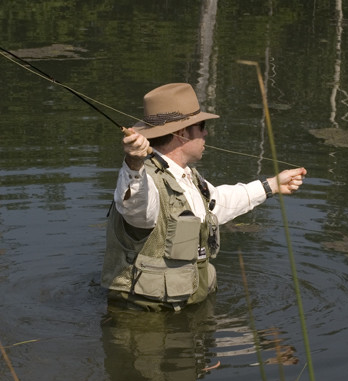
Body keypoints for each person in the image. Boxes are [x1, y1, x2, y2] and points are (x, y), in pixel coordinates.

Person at [102, 82, 306, 311]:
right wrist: (133, 163)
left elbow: (217, 204)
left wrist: (271, 185)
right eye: (201, 126)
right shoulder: (144, 180)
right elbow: (135, 208)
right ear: (181, 134)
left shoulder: (187, 177)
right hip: (144, 326)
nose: (207, 132)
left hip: (184, 318)